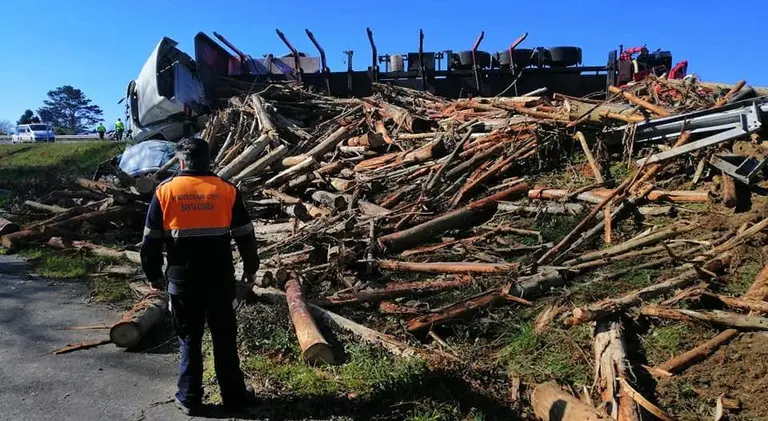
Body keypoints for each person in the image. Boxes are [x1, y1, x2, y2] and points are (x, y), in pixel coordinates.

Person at [140, 137, 259, 415]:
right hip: (220, 281)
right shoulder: (227, 190)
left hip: (182, 282)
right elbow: (245, 235)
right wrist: (251, 269)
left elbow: (151, 239)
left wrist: (153, 274)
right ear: (208, 160)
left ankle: (189, 397)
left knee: (189, 338)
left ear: (181, 162)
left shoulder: (165, 191)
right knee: (224, 338)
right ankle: (234, 396)